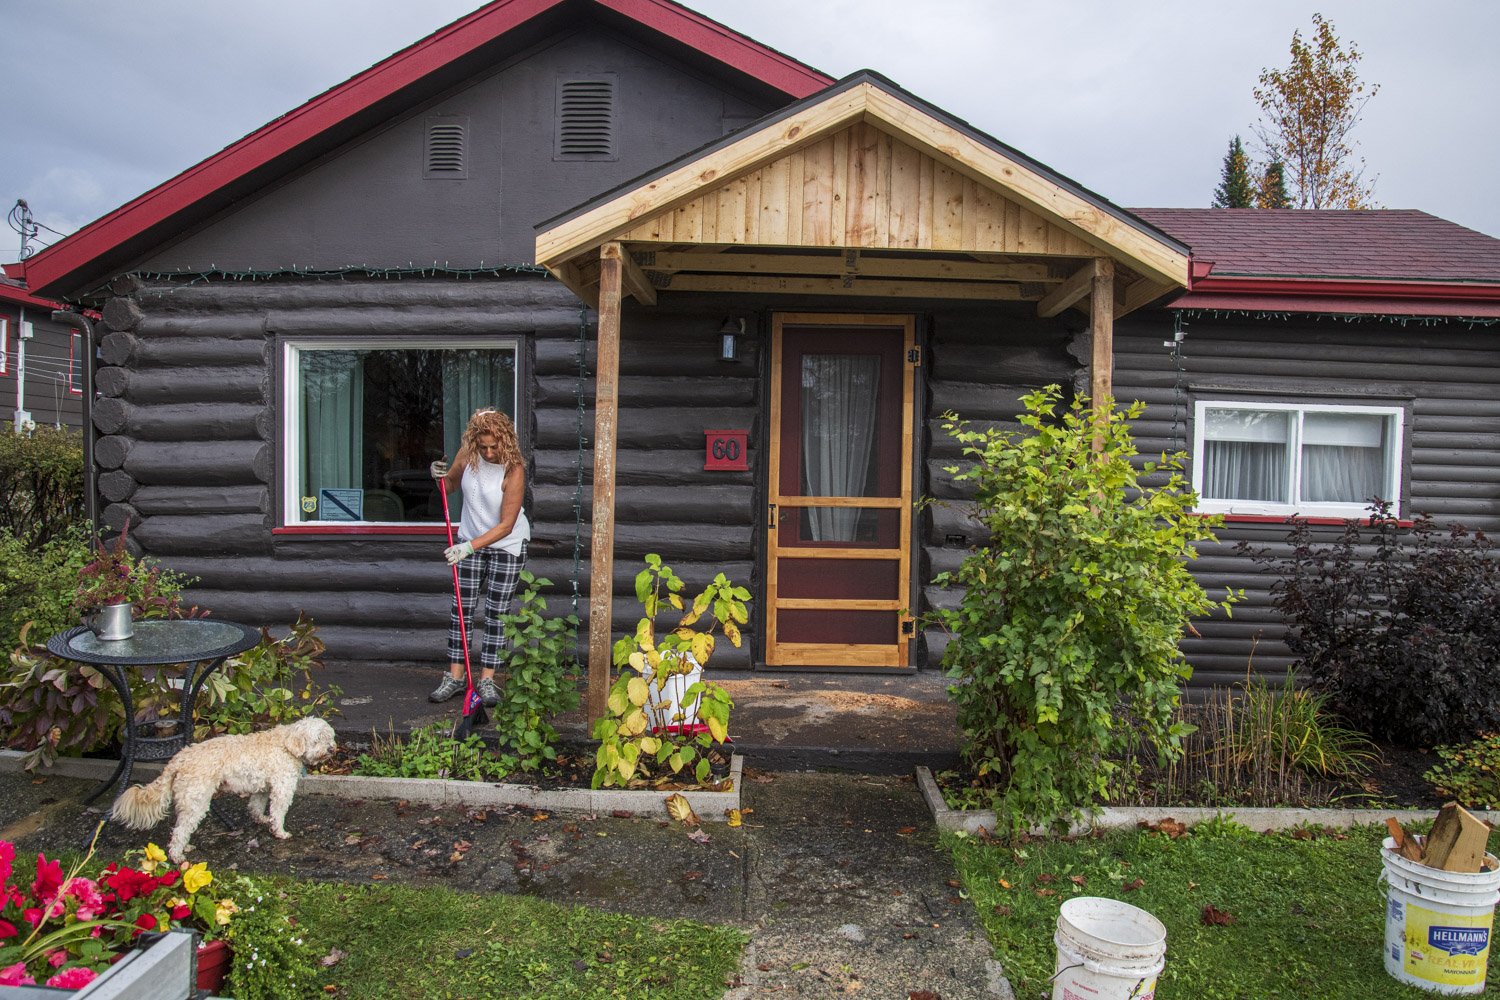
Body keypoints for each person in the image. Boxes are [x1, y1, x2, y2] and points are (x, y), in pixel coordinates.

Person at [427, 408, 530, 707]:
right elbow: (449, 487)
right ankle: (456, 677)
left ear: (505, 441)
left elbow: (506, 524)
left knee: (497, 612)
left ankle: (486, 679)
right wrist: (438, 476)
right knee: (462, 607)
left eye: (493, 447)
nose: (487, 452)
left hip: (507, 544)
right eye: (482, 446)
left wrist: (469, 547)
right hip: (469, 538)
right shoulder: (468, 454)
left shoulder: (514, 469)